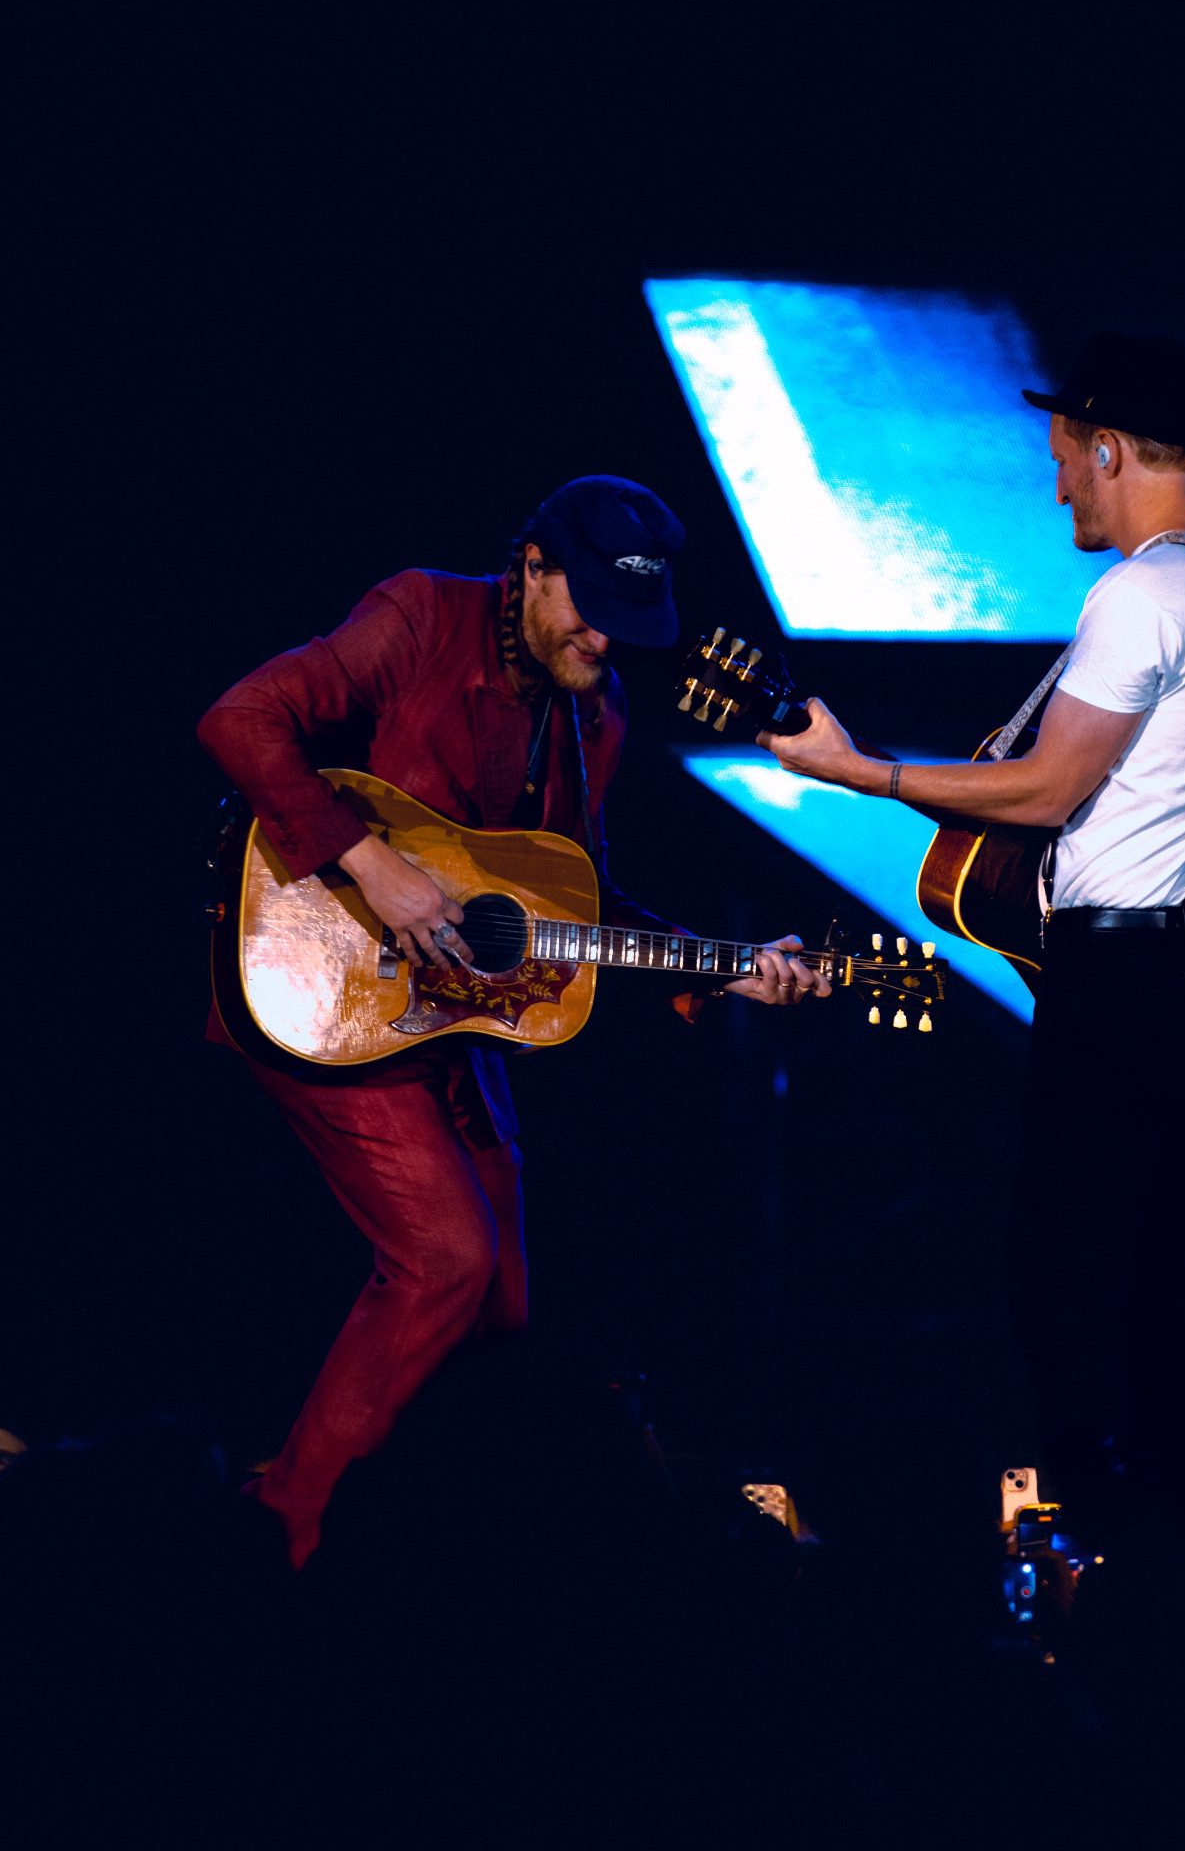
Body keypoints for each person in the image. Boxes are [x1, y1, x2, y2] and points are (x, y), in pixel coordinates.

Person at [199, 475, 826, 1566]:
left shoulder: (597, 713)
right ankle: (282, 1540)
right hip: (325, 974)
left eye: (624, 621)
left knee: (500, 1302)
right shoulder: (421, 616)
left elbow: (576, 903)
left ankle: (432, 1553)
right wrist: (372, 864)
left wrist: (723, 969)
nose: (602, 639)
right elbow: (238, 719)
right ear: (532, 565)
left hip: (447, 1020)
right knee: (446, 1255)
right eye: (587, 606)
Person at [760, 334, 1185, 1554]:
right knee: (1165, 1288)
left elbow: (1049, 787)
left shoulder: (1142, 593)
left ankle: (1115, 1568)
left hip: (1127, 980)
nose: (1057, 483)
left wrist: (858, 770)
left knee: (1064, 1290)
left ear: (1108, 449)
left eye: (1064, 456)